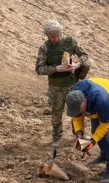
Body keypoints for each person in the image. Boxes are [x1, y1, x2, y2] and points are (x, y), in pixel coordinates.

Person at [35, 19, 89, 148]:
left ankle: (77, 135)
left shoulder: (70, 42)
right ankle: (56, 137)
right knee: (56, 113)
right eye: (52, 37)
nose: (56, 39)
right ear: (47, 35)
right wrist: (55, 69)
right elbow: (39, 69)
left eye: (58, 35)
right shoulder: (45, 48)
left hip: (73, 85)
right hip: (56, 87)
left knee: (77, 111)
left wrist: (76, 64)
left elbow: (84, 55)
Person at [65, 77, 109, 183]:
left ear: (84, 101)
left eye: (77, 109)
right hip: (94, 104)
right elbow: (77, 116)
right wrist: (79, 132)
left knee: (107, 135)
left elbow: (105, 125)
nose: (76, 111)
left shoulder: (102, 101)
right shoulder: (75, 97)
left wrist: (93, 141)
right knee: (95, 131)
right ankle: (104, 155)